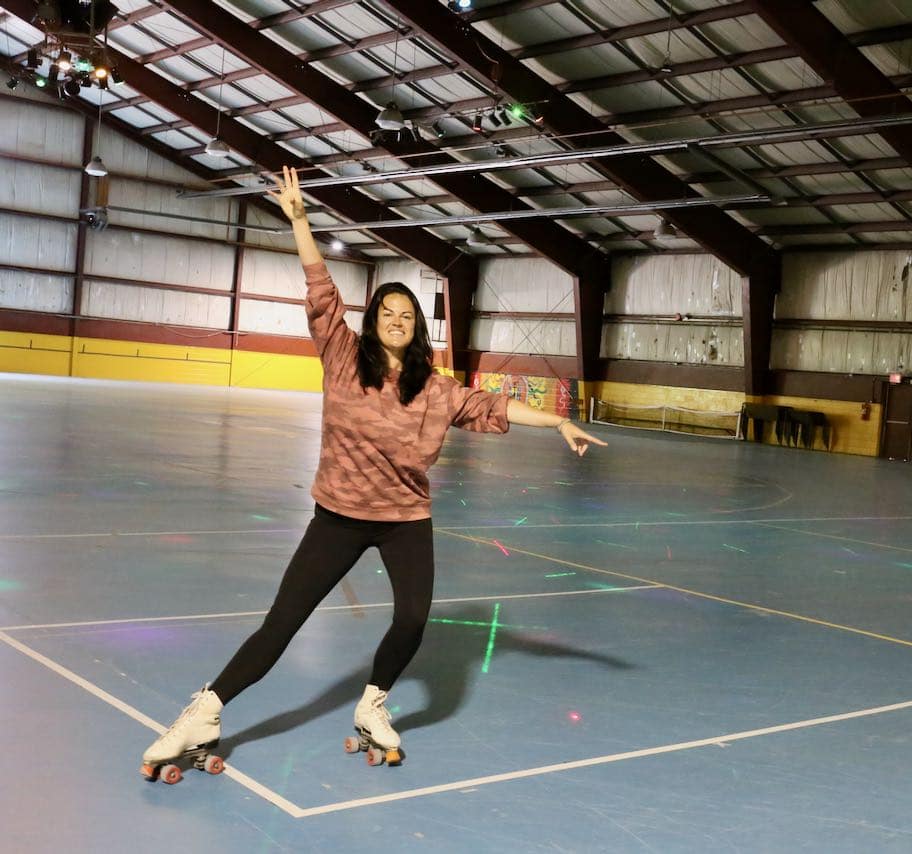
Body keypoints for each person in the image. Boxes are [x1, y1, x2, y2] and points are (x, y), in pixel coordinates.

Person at [140, 166, 606, 780]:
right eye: (387, 311)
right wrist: (302, 223)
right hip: (337, 516)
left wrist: (558, 422)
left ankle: (372, 703)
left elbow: (490, 405)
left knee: (413, 618)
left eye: (406, 314)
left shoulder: (436, 391)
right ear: (373, 321)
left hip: (404, 521)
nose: (396, 319)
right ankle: (204, 712)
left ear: (417, 328)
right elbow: (321, 294)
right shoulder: (342, 361)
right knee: (282, 623)